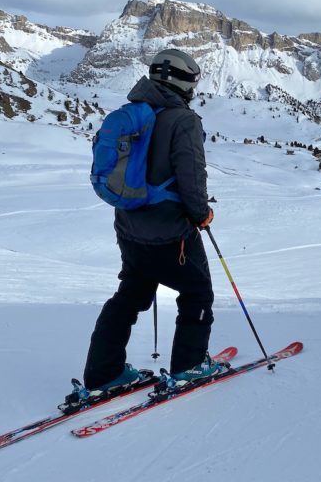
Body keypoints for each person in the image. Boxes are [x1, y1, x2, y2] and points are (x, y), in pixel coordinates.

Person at [81, 48, 221, 396]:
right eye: (192, 81)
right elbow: (191, 176)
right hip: (172, 231)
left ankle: (103, 374)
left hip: (129, 228)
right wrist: (201, 213)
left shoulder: (133, 113)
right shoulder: (183, 120)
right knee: (197, 293)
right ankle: (189, 367)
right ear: (181, 81)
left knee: (129, 295)